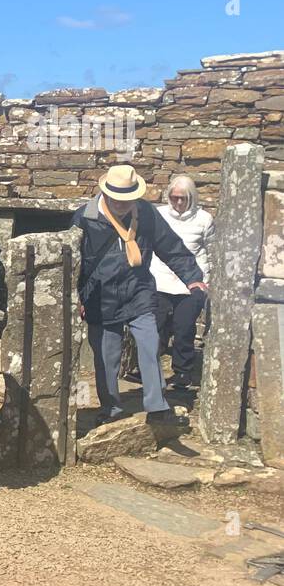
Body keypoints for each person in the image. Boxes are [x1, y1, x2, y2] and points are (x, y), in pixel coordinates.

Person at [72, 166, 208, 426]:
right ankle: (111, 408)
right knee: (106, 358)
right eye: (117, 199)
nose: (123, 204)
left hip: (138, 290)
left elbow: (170, 246)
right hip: (101, 297)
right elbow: (75, 263)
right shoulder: (84, 218)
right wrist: (79, 298)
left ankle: (157, 406)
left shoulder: (145, 213)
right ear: (106, 193)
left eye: (128, 199)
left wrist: (193, 278)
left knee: (149, 345)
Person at [151, 175, 215, 390]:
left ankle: (182, 373)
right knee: (154, 328)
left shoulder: (204, 219)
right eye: (175, 197)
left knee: (184, 329)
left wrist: (206, 282)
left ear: (192, 198)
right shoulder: (157, 215)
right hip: (159, 280)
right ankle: (149, 371)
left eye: (183, 198)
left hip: (190, 285)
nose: (178, 202)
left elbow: (211, 251)